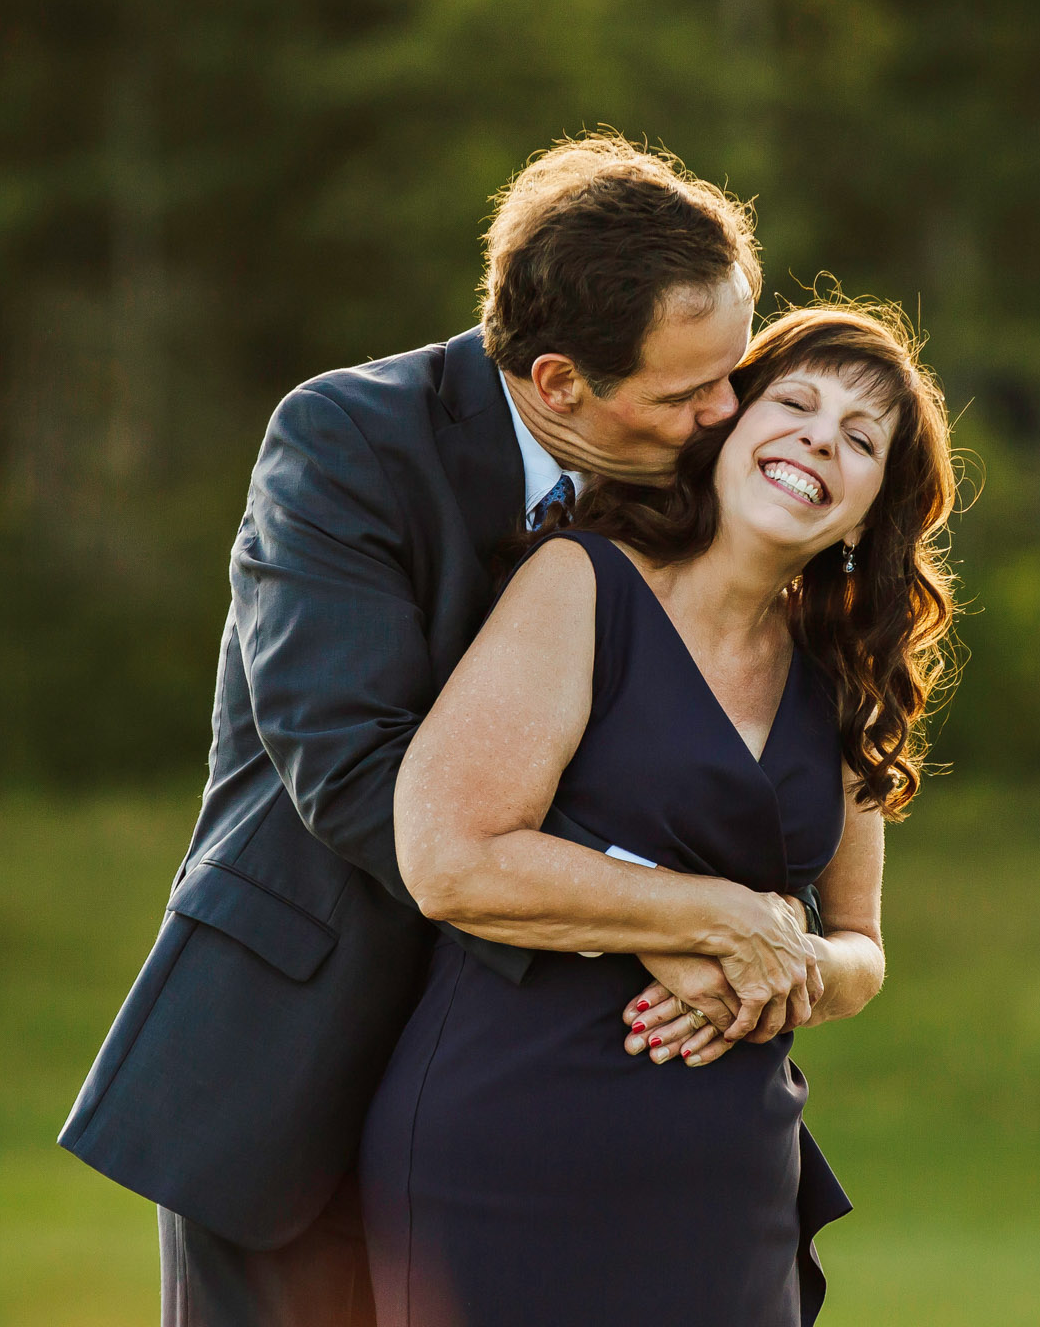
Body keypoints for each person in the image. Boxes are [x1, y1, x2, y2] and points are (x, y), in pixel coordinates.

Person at [60, 133, 798, 1326]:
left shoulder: (698, 471)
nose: (727, 414)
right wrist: (653, 915)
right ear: (559, 383)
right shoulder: (346, 443)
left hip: (551, 1104)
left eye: (734, 370)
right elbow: (351, 768)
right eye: (685, 392)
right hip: (307, 1056)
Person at [363, 303, 958, 1327]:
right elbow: (452, 858)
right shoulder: (580, 584)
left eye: (861, 440)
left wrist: (783, 964)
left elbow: (859, 947)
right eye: (797, 403)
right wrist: (717, 918)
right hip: (507, 1155)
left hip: (727, 1192)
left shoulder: (842, 676)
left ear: (865, 513)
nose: (822, 436)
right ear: (726, 426)